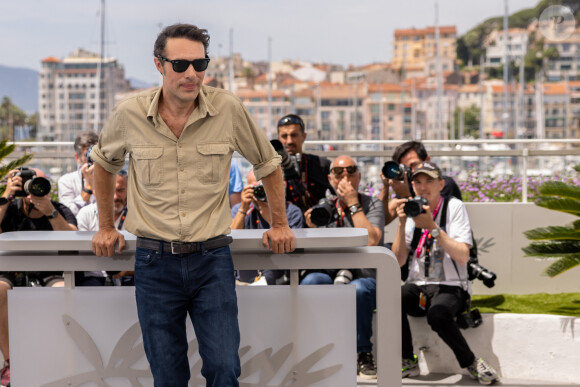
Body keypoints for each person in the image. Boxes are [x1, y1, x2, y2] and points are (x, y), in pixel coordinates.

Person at [90, 23, 295, 387]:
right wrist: (106, 227)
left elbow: (269, 164)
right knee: (167, 376)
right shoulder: (130, 113)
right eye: (181, 64)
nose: (192, 74)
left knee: (223, 368)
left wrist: (279, 224)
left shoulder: (228, 109)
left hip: (212, 260)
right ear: (159, 64)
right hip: (154, 263)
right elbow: (103, 166)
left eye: (200, 65)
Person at [391, 161, 498, 385]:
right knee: (392, 297)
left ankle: (471, 363)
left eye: (429, 181)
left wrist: (433, 227)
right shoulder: (412, 210)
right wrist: (401, 225)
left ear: (441, 184)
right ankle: (407, 360)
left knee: (438, 314)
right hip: (419, 286)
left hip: (451, 286)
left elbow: (462, 256)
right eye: (417, 182)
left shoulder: (453, 207)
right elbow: (398, 260)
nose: (423, 187)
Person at [302, 155, 385, 380]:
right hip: (328, 272)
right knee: (311, 282)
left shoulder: (372, 204)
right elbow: (310, 252)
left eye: (350, 171)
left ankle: (363, 353)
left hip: (363, 274)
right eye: (338, 172)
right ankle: (316, 350)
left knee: (358, 290)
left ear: (359, 176)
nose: (345, 176)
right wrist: (312, 229)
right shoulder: (324, 207)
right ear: (330, 178)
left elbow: (371, 240)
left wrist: (353, 204)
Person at [0, 167, 78, 387]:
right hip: (11, 270)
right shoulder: (9, 208)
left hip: (50, 271)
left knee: (63, 291)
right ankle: (10, 362)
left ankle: (58, 363)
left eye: (39, 184)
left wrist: (50, 212)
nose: (33, 189)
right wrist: (6, 196)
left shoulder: (58, 209)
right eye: (29, 183)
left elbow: (73, 239)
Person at [231, 170, 304, 285]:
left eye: (266, 187)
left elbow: (289, 247)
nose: (262, 192)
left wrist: (271, 214)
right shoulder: (240, 209)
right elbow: (230, 241)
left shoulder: (291, 212)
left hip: (278, 282)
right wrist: (243, 209)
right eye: (257, 188)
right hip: (244, 282)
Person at [380, 140, 461, 226]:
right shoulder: (409, 185)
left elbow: (429, 221)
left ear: (427, 160)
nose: (409, 171)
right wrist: (385, 187)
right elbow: (381, 220)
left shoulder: (442, 185)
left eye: (413, 165)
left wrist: (406, 196)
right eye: (403, 168)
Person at [76, 170, 132, 286]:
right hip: (94, 276)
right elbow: (80, 255)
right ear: (95, 191)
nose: (116, 196)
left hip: (129, 275)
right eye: (111, 191)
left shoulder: (136, 215)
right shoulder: (85, 214)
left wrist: (130, 270)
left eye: (121, 190)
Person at [277, 113, 332, 213]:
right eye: (284, 136)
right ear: (279, 139)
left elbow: (336, 198)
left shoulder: (321, 165)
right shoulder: (273, 168)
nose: (289, 141)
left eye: (294, 135)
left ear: (304, 136)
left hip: (317, 225)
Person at [58, 130, 99, 216]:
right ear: (77, 157)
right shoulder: (66, 181)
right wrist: (88, 187)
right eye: (88, 155)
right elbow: (69, 214)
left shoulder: (112, 178)